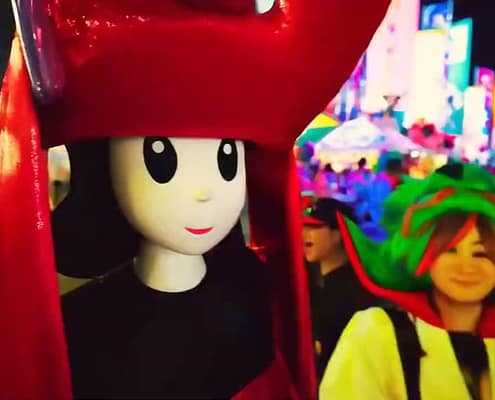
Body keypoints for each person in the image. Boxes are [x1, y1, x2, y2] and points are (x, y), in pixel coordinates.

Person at [0, 0, 390, 398]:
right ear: (103, 167)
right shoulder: (86, 328)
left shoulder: (250, 294)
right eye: (162, 159)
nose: (204, 192)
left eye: (226, 159)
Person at [320, 163, 495, 400]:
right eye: (450, 250)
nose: (466, 267)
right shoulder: (377, 333)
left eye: (481, 253)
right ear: (422, 254)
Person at [302, 198, 382, 383]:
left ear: (338, 234)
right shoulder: (317, 285)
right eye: (303, 226)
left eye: (315, 227)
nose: (305, 234)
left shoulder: (349, 294)